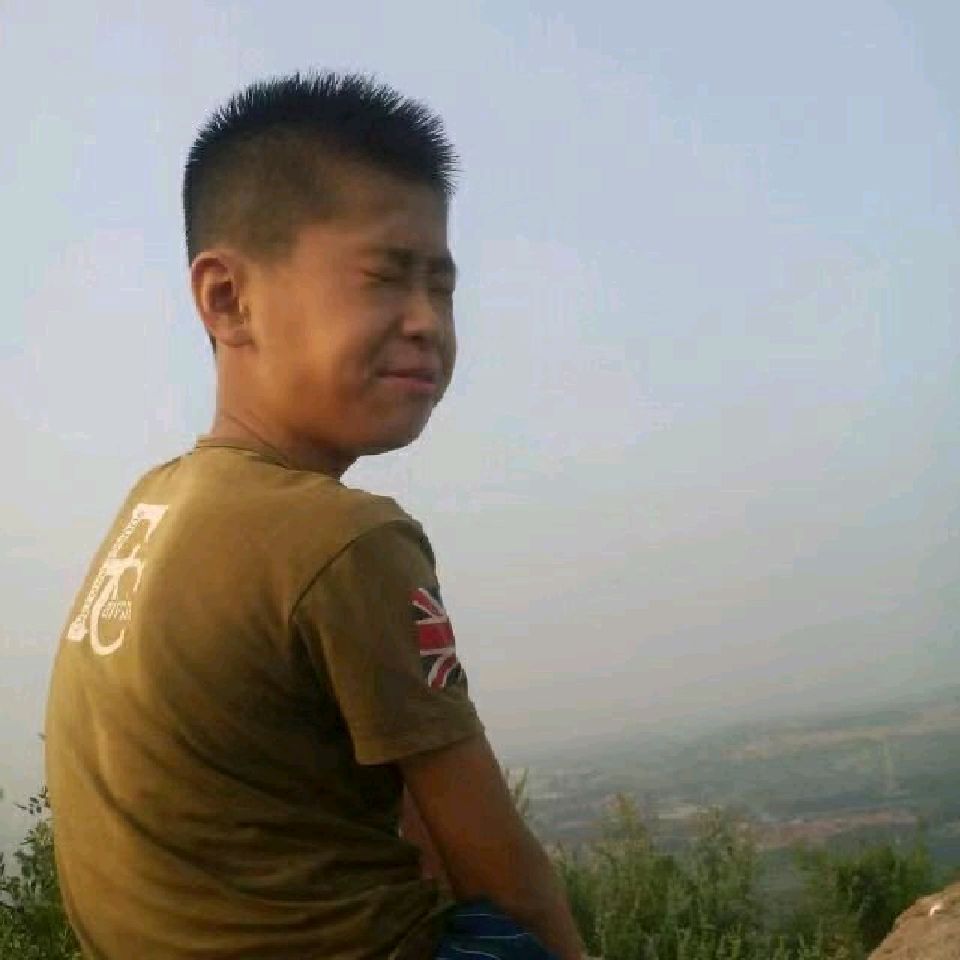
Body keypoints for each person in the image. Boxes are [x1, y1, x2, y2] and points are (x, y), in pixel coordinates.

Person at [44, 71, 586, 960]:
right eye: (384, 279)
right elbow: (504, 873)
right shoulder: (346, 540)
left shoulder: (155, 505)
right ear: (228, 299)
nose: (427, 322)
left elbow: (403, 790)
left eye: (442, 287)